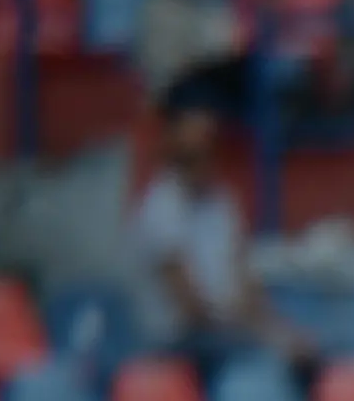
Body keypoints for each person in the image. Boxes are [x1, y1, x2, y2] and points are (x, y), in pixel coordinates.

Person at [128, 106, 317, 369]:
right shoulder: (159, 209)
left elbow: (245, 278)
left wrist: (277, 330)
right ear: (174, 157)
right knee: (265, 357)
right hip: (176, 340)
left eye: (208, 153)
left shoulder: (222, 201)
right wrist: (254, 330)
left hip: (227, 327)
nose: (202, 163)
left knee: (312, 349)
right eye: (190, 157)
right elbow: (190, 308)